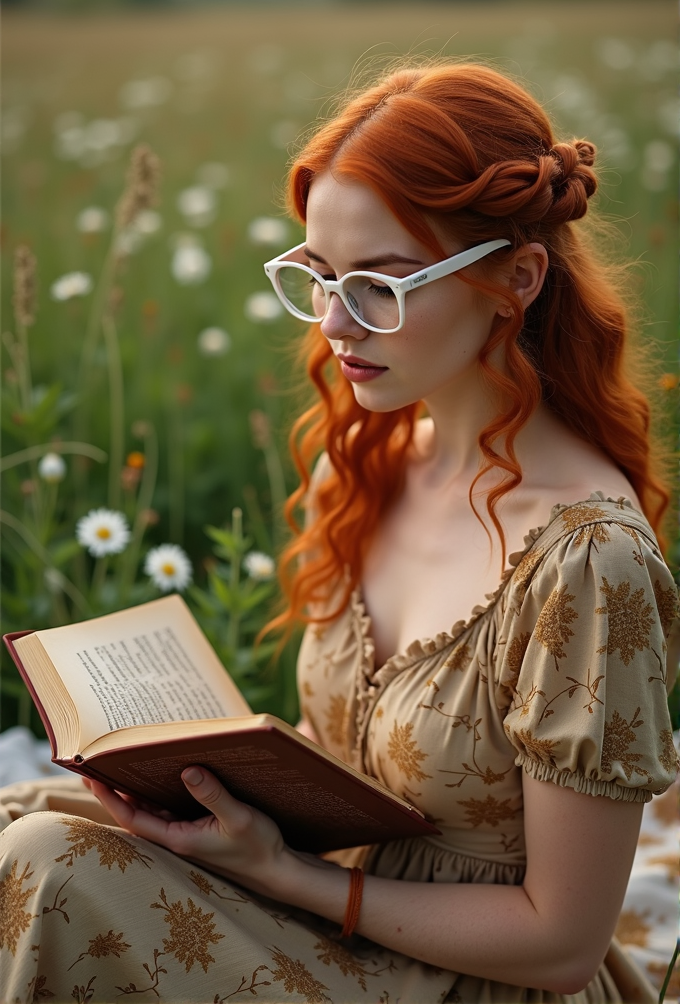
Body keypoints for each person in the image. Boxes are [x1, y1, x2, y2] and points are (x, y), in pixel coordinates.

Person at [1, 61, 678, 1004]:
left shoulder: (587, 561)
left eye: (382, 286)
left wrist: (281, 875)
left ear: (515, 280)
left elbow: (560, 945)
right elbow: (334, 773)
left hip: (473, 980)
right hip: (324, 915)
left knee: (48, 862)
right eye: (318, 276)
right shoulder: (361, 466)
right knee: (19, 811)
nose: (335, 323)